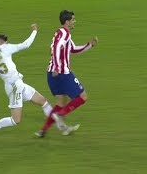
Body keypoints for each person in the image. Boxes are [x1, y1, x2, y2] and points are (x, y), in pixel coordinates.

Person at [35, 10, 99, 138]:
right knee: (82, 97)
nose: (75, 21)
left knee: (60, 103)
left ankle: (42, 130)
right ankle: (60, 115)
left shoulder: (60, 33)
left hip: (52, 74)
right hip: (62, 73)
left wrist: (89, 45)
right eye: (73, 19)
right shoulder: (64, 34)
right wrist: (58, 67)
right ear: (67, 22)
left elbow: (73, 50)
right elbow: (57, 48)